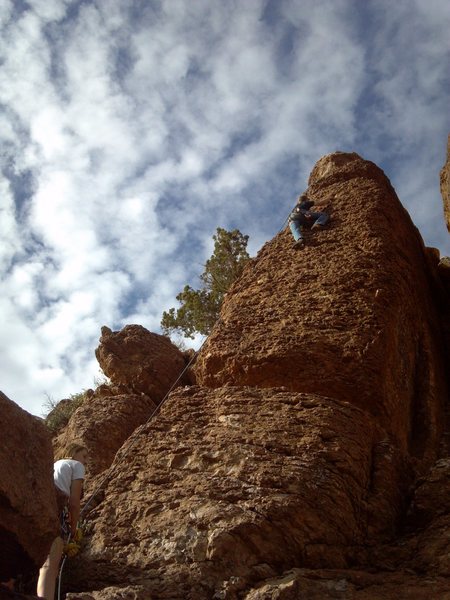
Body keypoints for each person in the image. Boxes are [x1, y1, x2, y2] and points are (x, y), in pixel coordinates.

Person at [37, 443, 88, 600]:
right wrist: (74, 529)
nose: (86, 461)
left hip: (38, 508)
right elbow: (73, 502)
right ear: (73, 453)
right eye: (84, 456)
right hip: (57, 510)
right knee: (50, 566)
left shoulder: (55, 464)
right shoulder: (76, 465)